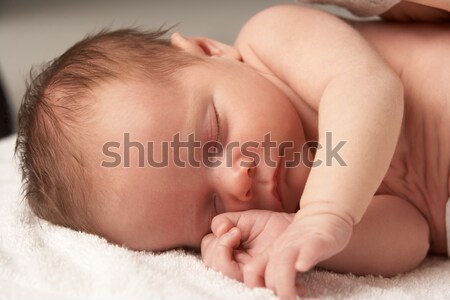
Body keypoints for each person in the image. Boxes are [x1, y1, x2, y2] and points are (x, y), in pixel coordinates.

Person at [15, 4, 449, 300]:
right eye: (211, 208)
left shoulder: (272, 39)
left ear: (210, 52)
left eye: (211, 138)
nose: (235, 181)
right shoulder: (300, 212)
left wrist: (326, 212)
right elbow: (413, 236)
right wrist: (303, 240)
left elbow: (369, 87)